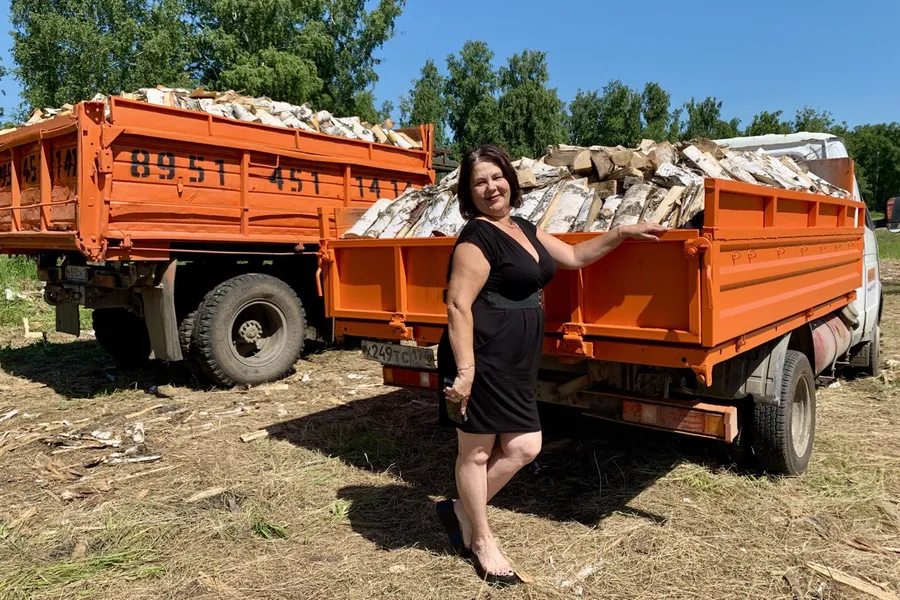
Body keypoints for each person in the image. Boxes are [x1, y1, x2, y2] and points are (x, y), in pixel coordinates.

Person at [434, 144, 667, 586]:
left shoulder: (521, 227)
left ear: (510, 180)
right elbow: (457, 306)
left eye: (497, 177)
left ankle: (462, 509)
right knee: (476, 451)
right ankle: (481, 540)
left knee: (524, 446)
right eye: (479, 182)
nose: (491, 188)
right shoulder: (476, 238)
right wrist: (465, 372)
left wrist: (622, 232)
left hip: (516, 360)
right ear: (468, 192)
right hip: (481, 359)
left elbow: (575, 257)